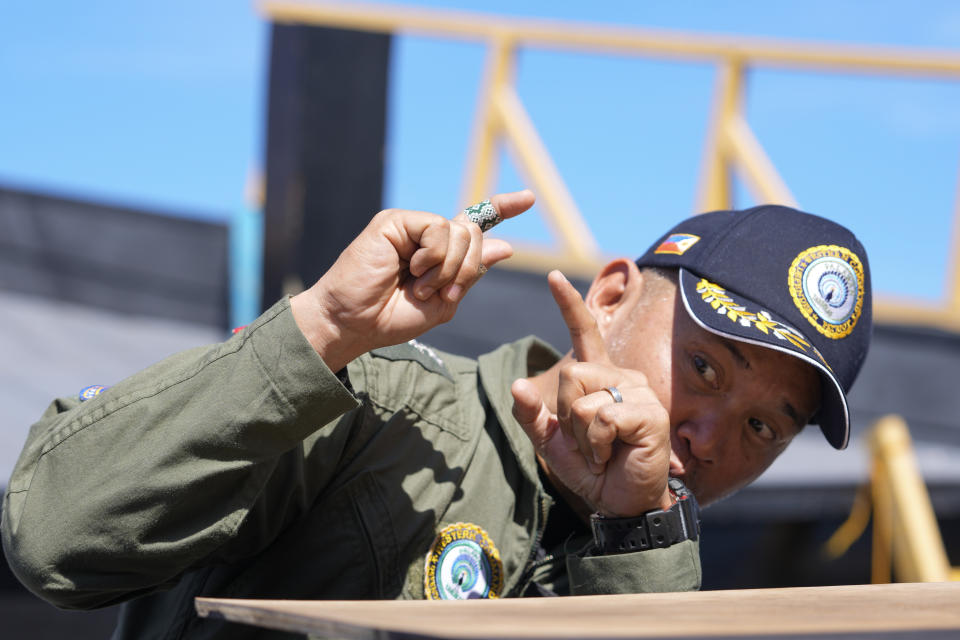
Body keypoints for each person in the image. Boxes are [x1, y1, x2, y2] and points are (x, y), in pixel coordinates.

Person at [1, 190, 871, 639]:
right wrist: (322, 332)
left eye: (764, 427)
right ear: (609, 297)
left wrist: (638, 543)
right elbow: (54, 537)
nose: (707, 437)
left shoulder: (658, 565)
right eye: (704, 366)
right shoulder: (374, 399)